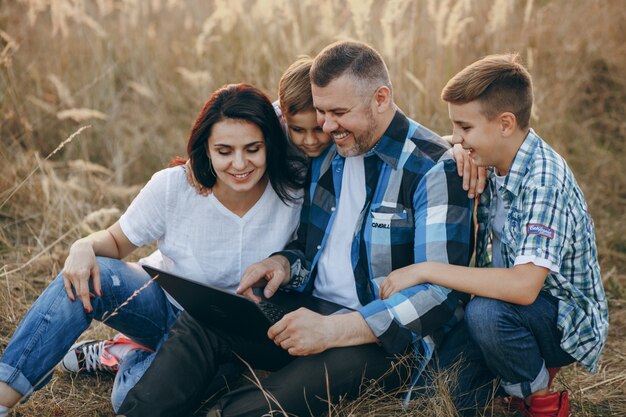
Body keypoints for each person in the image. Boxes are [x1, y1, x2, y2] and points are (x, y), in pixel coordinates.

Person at [117, 40, 473, 417]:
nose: (326, 126)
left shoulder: (433, 169)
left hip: (381, 342)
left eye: (338, 112)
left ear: (381, 98)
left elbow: (440, 295)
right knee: (206, 318)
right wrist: (283, 264)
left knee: (263, 405)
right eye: (321, 112)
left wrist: (332, 331)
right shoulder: (328, 150)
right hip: (307, 311)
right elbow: (308, 244)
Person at [0, 83, 306, 416]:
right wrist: (83, 245)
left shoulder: (293, 191)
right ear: (206, 148)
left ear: (270, 145)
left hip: (230, 333)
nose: (239, 163)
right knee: (83, 277)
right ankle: (4, 395)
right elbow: (117, 242)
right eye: (224, 151)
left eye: (252, 148)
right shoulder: (175, 186)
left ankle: (126, 353)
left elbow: (300, 100)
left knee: (127, 399)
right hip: (163, 305)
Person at [379, 53, 608, 416]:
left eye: (464, 128)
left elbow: (524, 287)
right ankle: (508, 378)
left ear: (505, 123)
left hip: (559, 317)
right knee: (442, 396)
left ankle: (536, 398)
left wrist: (424, 270)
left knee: (485, 315)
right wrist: (456, 147)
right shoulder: (491, 155)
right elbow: (432, 145)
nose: (457, 137)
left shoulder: (544, 181)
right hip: (502, 305)